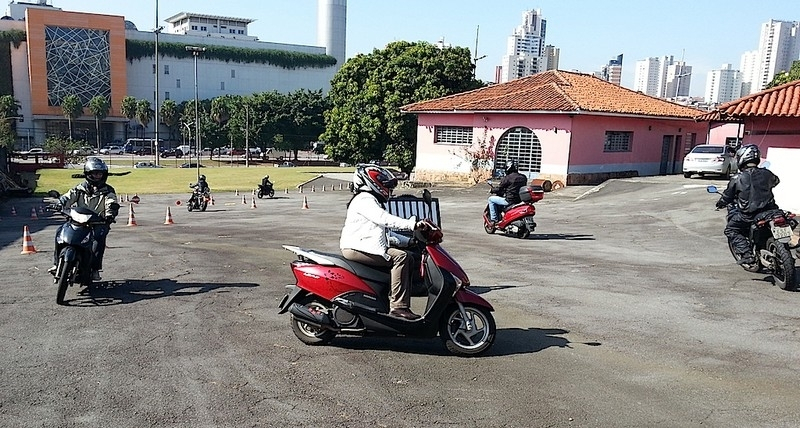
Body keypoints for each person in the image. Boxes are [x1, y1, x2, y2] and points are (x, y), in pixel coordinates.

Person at [340, 164, 424, 320]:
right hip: (357, 247)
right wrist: (412, 224)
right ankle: (398, 307)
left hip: (367, 245)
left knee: (408, 255)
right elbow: (384, 220)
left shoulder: (370, 200)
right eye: (384, 185)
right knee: (401, 257)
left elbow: (385, 234)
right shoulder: (364, 199)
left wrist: (409, 241)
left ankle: (390, 298)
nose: (388, 190)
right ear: (370, 182)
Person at [49, 157, 119, 281]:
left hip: (98, 222)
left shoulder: (108, 190)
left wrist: (110, 213)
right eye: (95, 173)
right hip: (77, 220)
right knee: (60, 233)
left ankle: (95, 269)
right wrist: (60, 203)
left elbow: (111, 201)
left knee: (98, 241)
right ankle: (56, 264)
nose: (98, 176)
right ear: (88, 174)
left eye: (100, 174)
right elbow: (68, 197)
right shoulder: (80, 188)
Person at [715, 144, 780, 265]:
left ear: (742, 159)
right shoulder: (767, 173)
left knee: (731, 230)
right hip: (771, 211)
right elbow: (776, 181)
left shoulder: (738, 178)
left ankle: (747, 254)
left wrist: (720, 203)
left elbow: (727, 196)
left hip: (749, 215)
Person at [487, 159, 528, 225]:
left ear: (508, 168)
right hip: (519, 200)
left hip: (509, 200)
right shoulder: (523, 177)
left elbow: (500, 188)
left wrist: (492, 190)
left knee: (491, 199)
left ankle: (494, 220)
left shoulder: (507, 178)